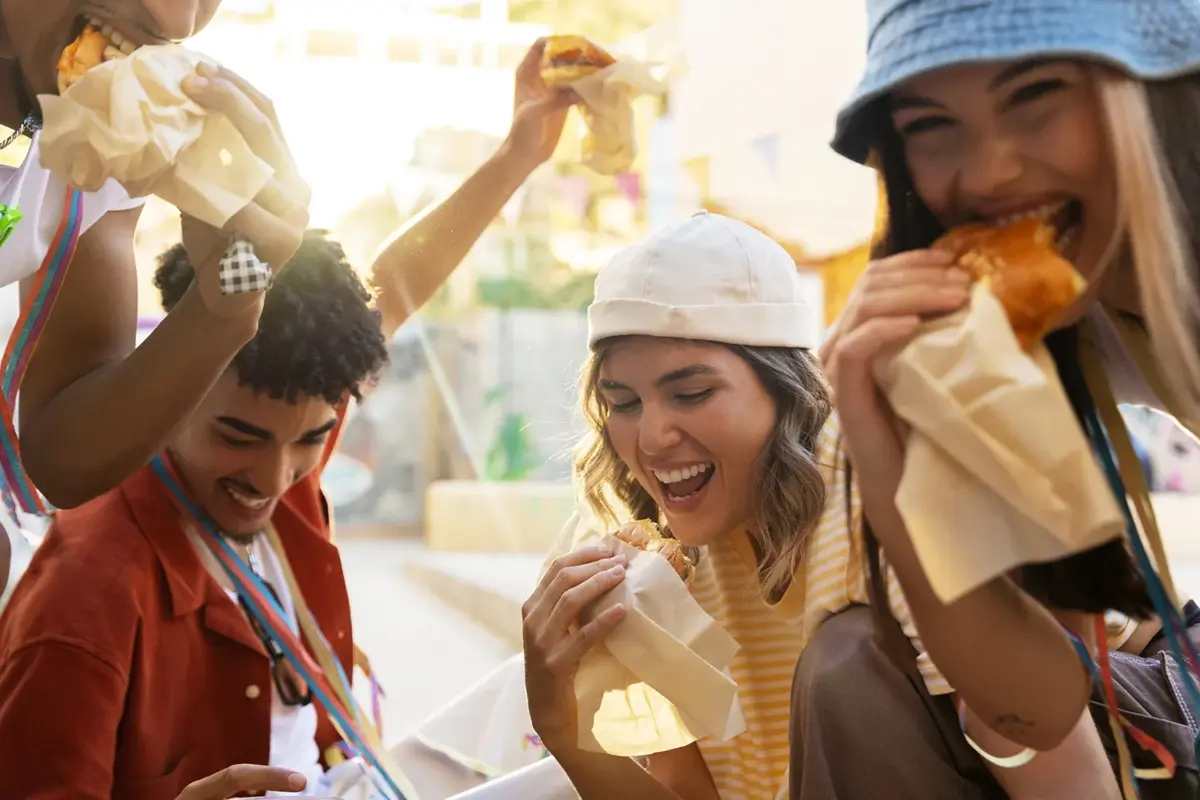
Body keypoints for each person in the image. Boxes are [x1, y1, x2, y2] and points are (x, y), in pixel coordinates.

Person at [0, 3, 575, 606]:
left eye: (309, 443)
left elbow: (59, 453)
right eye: (237, 436)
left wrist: (228, 304)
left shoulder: (98, 143)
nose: (177, 20)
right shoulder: (99, 594)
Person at [813, 0, 1200, 796]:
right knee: (850, 666)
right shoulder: (1042, 335)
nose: (986, 175)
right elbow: (1033, 711)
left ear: (1150, 90)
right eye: (929, 124)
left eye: (1036, 94)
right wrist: (887, 474)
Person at [521, 211, 918, 800]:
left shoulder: (877, 496)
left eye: (692, 393)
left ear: (788, 391)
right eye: (623, 402)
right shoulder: (644, 565)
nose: (652, 439)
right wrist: (560, 726)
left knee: (847, 657)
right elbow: (684, 789)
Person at [0, 231, 388, 799]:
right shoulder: (82, 606)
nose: (274, 481)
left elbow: (397, 282)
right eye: (237, 437)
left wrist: (518, 155)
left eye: (312, 440)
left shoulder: (277, 448)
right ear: (171, 389)